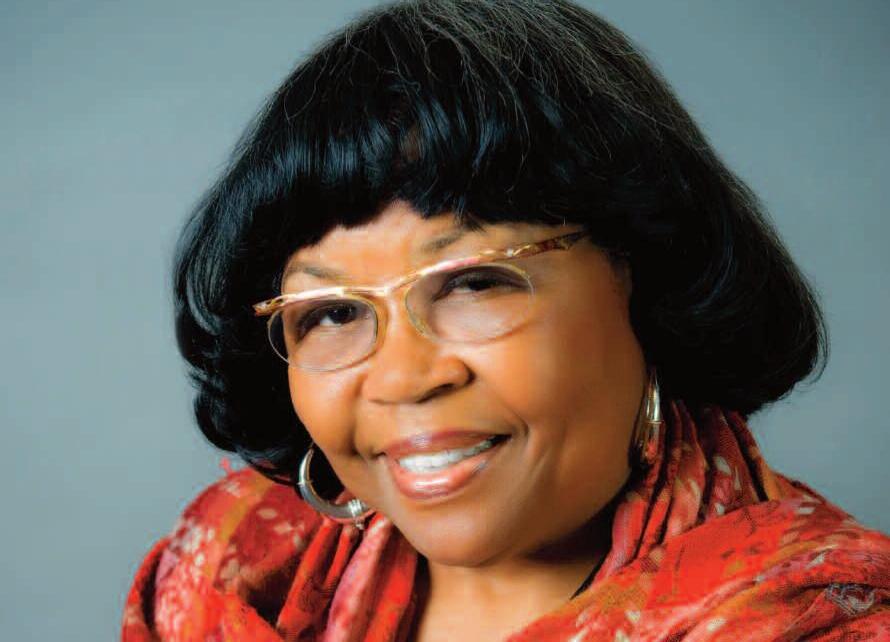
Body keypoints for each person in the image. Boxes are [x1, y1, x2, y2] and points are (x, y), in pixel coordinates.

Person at [121, 1, 890, 640]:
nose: (401, 378)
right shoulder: (227, 578)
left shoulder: (825, 624)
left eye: (474, 282)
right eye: (334, 312)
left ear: (646, 277)